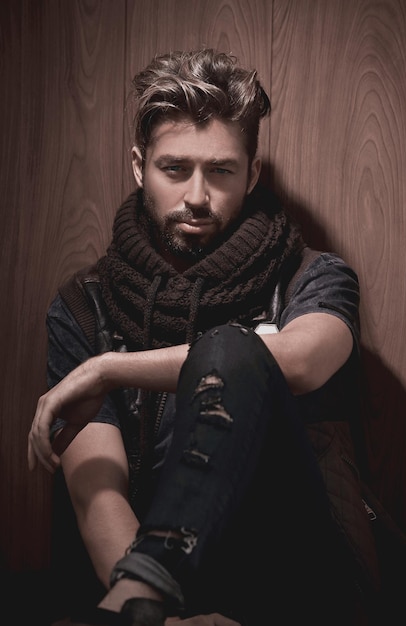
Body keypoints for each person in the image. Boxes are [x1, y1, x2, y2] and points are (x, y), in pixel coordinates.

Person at [28, 49, 380, 626]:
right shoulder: (83, 307)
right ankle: (146, 591)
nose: (196, 196)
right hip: (157, 593)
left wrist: (110, 368)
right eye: (175, 169)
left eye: (220, 171)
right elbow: (100, 493)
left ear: (252, 174)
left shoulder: (313, 278)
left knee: (233, 349)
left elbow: (299, 363)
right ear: (140, 167)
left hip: (306, 580)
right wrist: (163, 619)